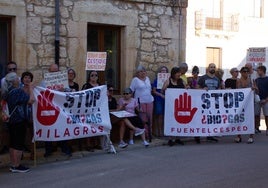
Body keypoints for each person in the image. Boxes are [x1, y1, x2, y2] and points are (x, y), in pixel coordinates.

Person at [2, 72, 35, 172]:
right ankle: (17, 165)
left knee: (13, 143)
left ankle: (13, 164)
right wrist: (31, 89)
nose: (18, 79)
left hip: (11, 120)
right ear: (13, 81)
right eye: (17, 78)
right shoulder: (17, 91)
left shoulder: (8, 91)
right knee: (18, 144)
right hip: (19, 120)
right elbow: (31, 100)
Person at [42, 64, 72, 157]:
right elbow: (41, 93)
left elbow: (69, 92)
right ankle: (48, 150)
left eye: (56, 71)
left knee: (62, 127)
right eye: (53, 71)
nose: (55, 73)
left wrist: (64, 90)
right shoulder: (43, 82)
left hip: (61, 109)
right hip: (49, 109)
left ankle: (64, 148)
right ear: (49, 71)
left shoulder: (63, 81)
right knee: (49, 128)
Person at [0, 61, 20, 155]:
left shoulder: (19, 80)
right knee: (6, 130)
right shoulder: (3, 81)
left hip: (18, 112)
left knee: (16, 133)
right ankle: (5, 146)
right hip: (7, 109)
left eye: (14, 69)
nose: (12, 70)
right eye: (10, 69)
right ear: (7, 70)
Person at [130, 65, 154, 142]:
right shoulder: (135, 80)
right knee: (143, 120)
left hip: (149, 101)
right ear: (137, 73)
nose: (142, 73)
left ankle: (150, 134)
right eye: (140, 71)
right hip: (141, 102)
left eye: (144, 71)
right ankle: (145, 135)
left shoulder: (147, 79)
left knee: (150, 118)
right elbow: (131, 92)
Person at [162, 66, 185, 146]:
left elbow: (185, 90)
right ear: (173, 73)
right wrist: (167, 97)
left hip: (180, 104)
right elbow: (163, 91)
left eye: (179, 72)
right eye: (177, 73)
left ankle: (178, 138)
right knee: (171, 120)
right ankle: (170, 138)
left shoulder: (181, 81)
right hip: (171, 105)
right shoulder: (168, 81)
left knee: (179, 120)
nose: (179, 74)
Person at [197, 63, 220, 142]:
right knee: (201, 118)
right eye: (211, 67)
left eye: (214, 67)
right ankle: (198, 135)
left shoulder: (217, 79)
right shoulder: (203, 78)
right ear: (208, 68)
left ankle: (210, 135)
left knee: (211, 119)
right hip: (203, 102)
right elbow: (196, 88)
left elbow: (218, 89)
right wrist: (202, 89)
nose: (212, 68)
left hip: (213, 103)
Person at [81, 70, 102, 151]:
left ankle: (96, 143)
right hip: (88, 109)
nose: (94, 76)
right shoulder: (86, 85)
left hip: (98, 109)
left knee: (97, 125)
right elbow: (82, 95)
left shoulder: (100, 85)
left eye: (96, 75)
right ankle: (88, 145)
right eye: (92, 75)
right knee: (89, 126)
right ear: (89, 77)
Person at [234, 66, 255, 143]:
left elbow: (257, 90)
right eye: (244, 72)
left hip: (250, 102)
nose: (246, 73)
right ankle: (238, 136)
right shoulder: (238, 80)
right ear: (241, 73)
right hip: (241, 103)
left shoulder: (251, 80)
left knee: (250, 119)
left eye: (247, 71)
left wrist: (254, 88)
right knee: (240, 118)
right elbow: (238, 90)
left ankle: (251, 136)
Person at [21, 71, 35, 159]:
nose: (27, 79)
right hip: (22, 114)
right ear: (22, 79)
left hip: (32, 114)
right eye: (25, 77)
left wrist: (31, 88)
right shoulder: (19, 89)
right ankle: (20, 153)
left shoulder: (34, 89)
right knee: (21, 135)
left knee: (32, 134)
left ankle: (33, 153)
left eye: (29, 78)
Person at [152, 66, 168, 137]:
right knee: (159, 115)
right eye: (162, 70)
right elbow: (154, 91)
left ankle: (164, 131)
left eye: (165, 71)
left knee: (165, 116)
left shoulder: (169, 80)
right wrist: (161, 95)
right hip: (159, 99)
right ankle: (159, 132)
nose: (163, 72)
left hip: (166, 99)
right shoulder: (156, 80)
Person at [245, 62, 261, 134]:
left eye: (247, 67)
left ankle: (257, 127)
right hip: (248, 95)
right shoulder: (245, 74)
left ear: (251, 67)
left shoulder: (256, 73)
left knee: (257, 112)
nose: (246, 69)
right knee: (249, 112)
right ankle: (250, 126)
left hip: (256, 94)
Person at [187, 65, 201, 143]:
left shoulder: (200, 79)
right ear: (192, 73)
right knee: (193, 117)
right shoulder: (190, 79)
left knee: (198, 117)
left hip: (198, 100)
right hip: (192, 99)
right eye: (195, 72)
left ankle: (197, 135)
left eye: (197, 72)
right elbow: (189, 87)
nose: (196, 74)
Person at [255, 65, 268, 136]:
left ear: (262, 71)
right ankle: (257, 128)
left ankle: (267, 129)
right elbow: (257, 91)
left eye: (258, 70)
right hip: (258, 100)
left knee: (267, 115)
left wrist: (266, 100)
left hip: (266, 100)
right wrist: (255, 89)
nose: (257, 72)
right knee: (256, 114)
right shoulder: (257, 80)